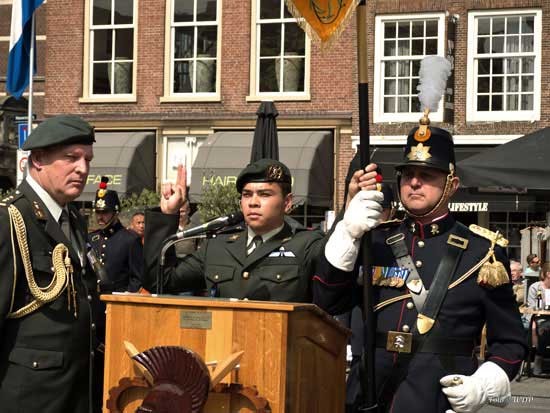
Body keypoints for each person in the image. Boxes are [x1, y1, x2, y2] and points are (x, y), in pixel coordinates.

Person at [313, 122, 527, 413]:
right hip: (367, 395)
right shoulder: (373, 240)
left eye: (427, 175)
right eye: (408, 174)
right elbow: (327, 301)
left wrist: (484, 384)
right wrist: (345, 232)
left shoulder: (483, 252)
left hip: (435, 399)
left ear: (452, 184)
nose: (414, 183)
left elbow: (511, 342)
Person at [0, 115, 101, 413]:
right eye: (71, 158)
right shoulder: (10, 221)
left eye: (87, 159)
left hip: (76, 394)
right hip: (29, 399)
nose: (82, 169)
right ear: (39, 159)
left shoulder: (73, 220)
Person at [143, 159, 325, 301]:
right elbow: (161, 281)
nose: (253, 202)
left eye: (264, 194)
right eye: (247, 195)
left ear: (287, 203)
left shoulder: (306, 245)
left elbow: (333, 299)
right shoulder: (218, 245)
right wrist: (167, 214)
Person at [88, 177, 143, 293]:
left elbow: (137, 278)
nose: (100, 217)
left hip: (118, 299)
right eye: (98, 212)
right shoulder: (91, 238)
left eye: (105, 212)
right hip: (93, 301)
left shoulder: (130, 240)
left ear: (116, 213)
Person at [527, 262, 550, 374]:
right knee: (544, 327)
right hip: (540, 317)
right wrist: (534, 322)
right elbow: (532, 308)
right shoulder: (535, 287)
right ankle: (539, 358)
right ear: (548, 274)